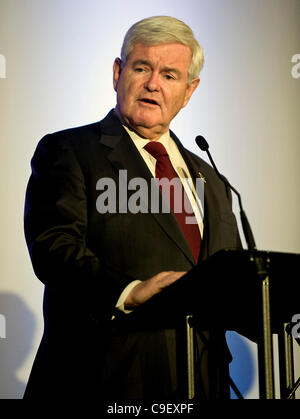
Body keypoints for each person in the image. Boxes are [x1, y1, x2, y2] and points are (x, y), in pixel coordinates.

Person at [24, 16, 242, 400]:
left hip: (200, 382)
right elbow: (54, 248)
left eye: (170, 75)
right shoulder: (70, 152)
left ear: (189, 91)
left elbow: (232, 281)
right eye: (142, 68)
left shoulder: (211, 178)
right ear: (117, 72)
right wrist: (129, 290)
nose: (153, 84)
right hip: (105, 380)